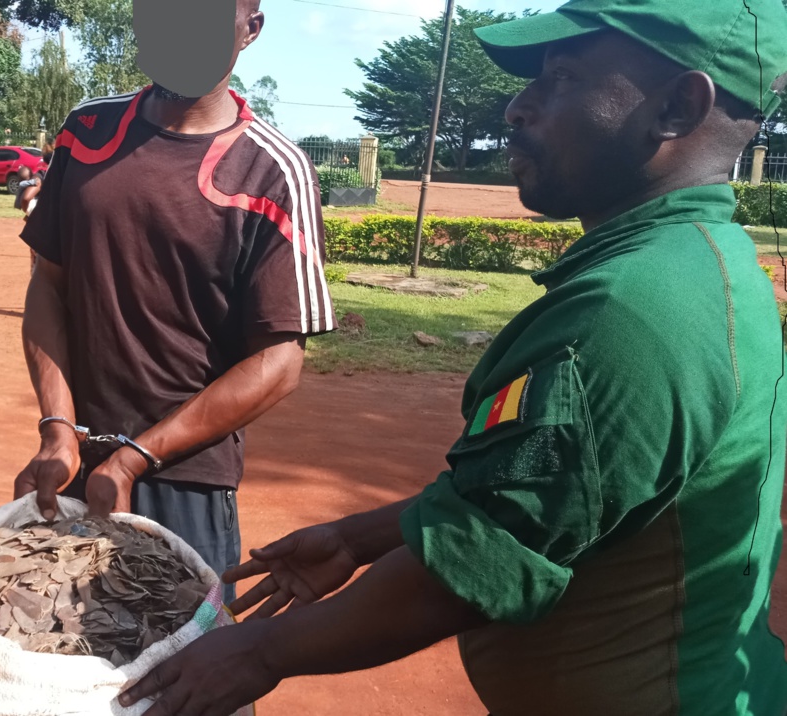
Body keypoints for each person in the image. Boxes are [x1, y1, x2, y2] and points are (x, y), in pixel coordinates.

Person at [119, 0, 787, 714]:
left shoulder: (629, 311)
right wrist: (361, 536)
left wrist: (258, 651)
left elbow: (470, 569)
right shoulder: (697, 266)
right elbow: (556, 491)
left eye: (560, 77)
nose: (515, 107)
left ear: (679, 106)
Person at [15, 0, 334, 605]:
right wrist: (58, 429)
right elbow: (48, 286)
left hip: (184, 481)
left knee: (185, 673)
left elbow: (278, 363)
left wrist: (137, 458)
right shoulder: (85, 133)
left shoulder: (274, 170)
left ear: (250, 30)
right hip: (72, 461)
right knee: (53, 652)